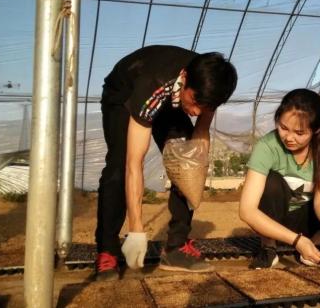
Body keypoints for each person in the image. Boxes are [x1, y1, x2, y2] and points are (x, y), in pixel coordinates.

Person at [95, 45, 237, 280]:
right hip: (124, 93)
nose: (195, 111)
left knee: (187, 164)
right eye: (195, 103)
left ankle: (176, 248)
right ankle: (107, 251)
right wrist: (137, 230)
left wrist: (195, 164)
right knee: (118, 167)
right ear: (185, 79)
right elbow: (134, 163)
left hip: (173, 101)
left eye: (205, 107)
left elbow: (200, 132)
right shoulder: (153, 84)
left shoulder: (209, 89)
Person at [239, 89, 320, 268]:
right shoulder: (267, 146)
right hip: (276, 223)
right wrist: (296, 240)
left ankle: (315, 247)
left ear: (316, 130)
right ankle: (268, 247)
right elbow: (247, 210)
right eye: (283, 128)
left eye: (299, 133)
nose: (289, 138)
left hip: (310, 220)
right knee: (270, 181)